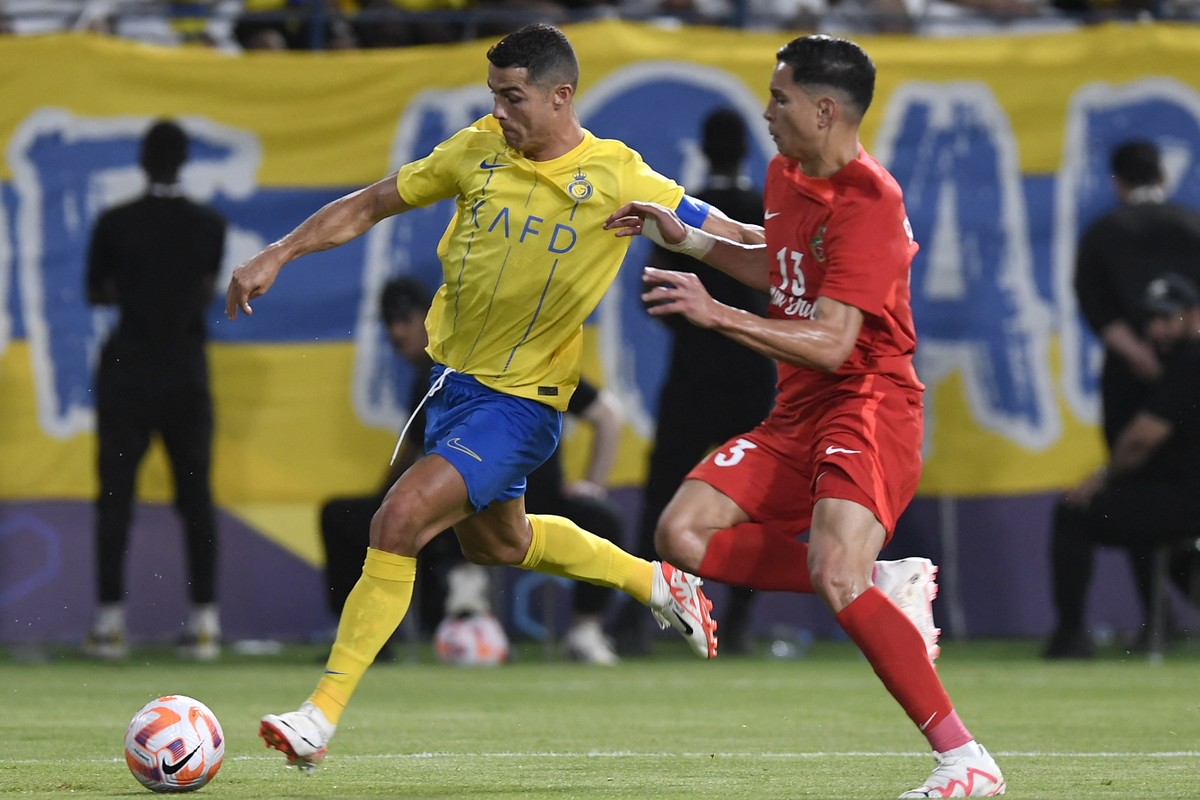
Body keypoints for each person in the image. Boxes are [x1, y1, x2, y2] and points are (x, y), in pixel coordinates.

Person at [226, 23, 753, 770]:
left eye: (513, 98)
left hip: (521, 403)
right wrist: (278, 251)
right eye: (493, 96)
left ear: (560, 96)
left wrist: (815, 254)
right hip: (452, 388)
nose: (500, 112)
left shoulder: (619, 176)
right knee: (500, 543)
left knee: (399, 518)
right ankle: (656, 580)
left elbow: (732, 234)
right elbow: (374, 202)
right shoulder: (476, 149)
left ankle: (319, 717)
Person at [604, 34, 1005, 798]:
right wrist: (687, 236)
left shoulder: (871, 203)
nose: (767, 110)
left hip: (868, 403)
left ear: (825, 110)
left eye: (780, 97)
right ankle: (884, 584)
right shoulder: (787, 170)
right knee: (679, 534)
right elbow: (775, 259)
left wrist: (717, 316)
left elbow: (833, 342)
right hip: (799, 409)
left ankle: (965, 759)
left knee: (834, 571)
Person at [320, 276, 628, 665]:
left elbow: (609, 416)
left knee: (598, 517)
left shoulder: (529, 359)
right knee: (390, 515)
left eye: (405, 319)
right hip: (472, 505)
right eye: (388, 323)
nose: (396, 332)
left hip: (526, 502)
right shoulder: (437, 375)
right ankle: (403, 626)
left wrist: (592, 486)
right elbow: (413, 457)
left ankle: (584, 630)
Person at [616, 107, 777, 657]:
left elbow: (653, 293)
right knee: (754, 502)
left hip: (691, 375)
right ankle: (740, 622)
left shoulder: (687, 214)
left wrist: (690, 327)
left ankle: (639, 618)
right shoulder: (760, 209)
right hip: (752, 369)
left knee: (664, 495)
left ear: (704, 149)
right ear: (743, 148)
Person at [83, 119, 227, 662]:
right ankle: (207, 623)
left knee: (115, 497)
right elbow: (204, 288)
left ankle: (109, 624)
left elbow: (96, 291)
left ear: (143, 162)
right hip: (185, 372)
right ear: (183, 161)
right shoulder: (208, 225)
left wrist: (133, 287)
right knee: (197, 499)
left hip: (127, 370)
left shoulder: (116, 223)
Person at [1044, 273, 1200, 659]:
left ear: (1194, 315)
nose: (1157, 328)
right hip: (1177, 497)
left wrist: (1100, 478)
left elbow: (1140, 438)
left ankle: (1071, 636)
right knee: (1141, 519)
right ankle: (1158, 624)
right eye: (1152, 319)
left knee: (1075, 512)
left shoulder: (1190, 360)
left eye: (1169, 318)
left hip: (1186, 500)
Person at [1074, 139, 1200, 454]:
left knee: (1130, 469)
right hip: (1192, 370)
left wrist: (1138, 354)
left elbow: (1094, 304)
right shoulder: (1193, 225)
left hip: (1129, 376)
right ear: (1162, 177)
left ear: (1117, 182)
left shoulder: (1101, 233)